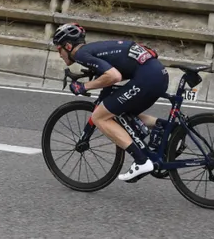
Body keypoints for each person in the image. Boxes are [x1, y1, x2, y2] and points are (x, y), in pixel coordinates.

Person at [52, 22, 169, 182]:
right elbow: (115, 66)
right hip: (158, 74)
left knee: (100, 116)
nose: (59, 55)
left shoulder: (81, 54)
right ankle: (167, 127)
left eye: (59, 49)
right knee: (124, 112)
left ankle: (141, 161)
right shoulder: (94, 49)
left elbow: (113, 76)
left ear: (68, 45)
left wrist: (84, 87)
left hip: (147, 78)